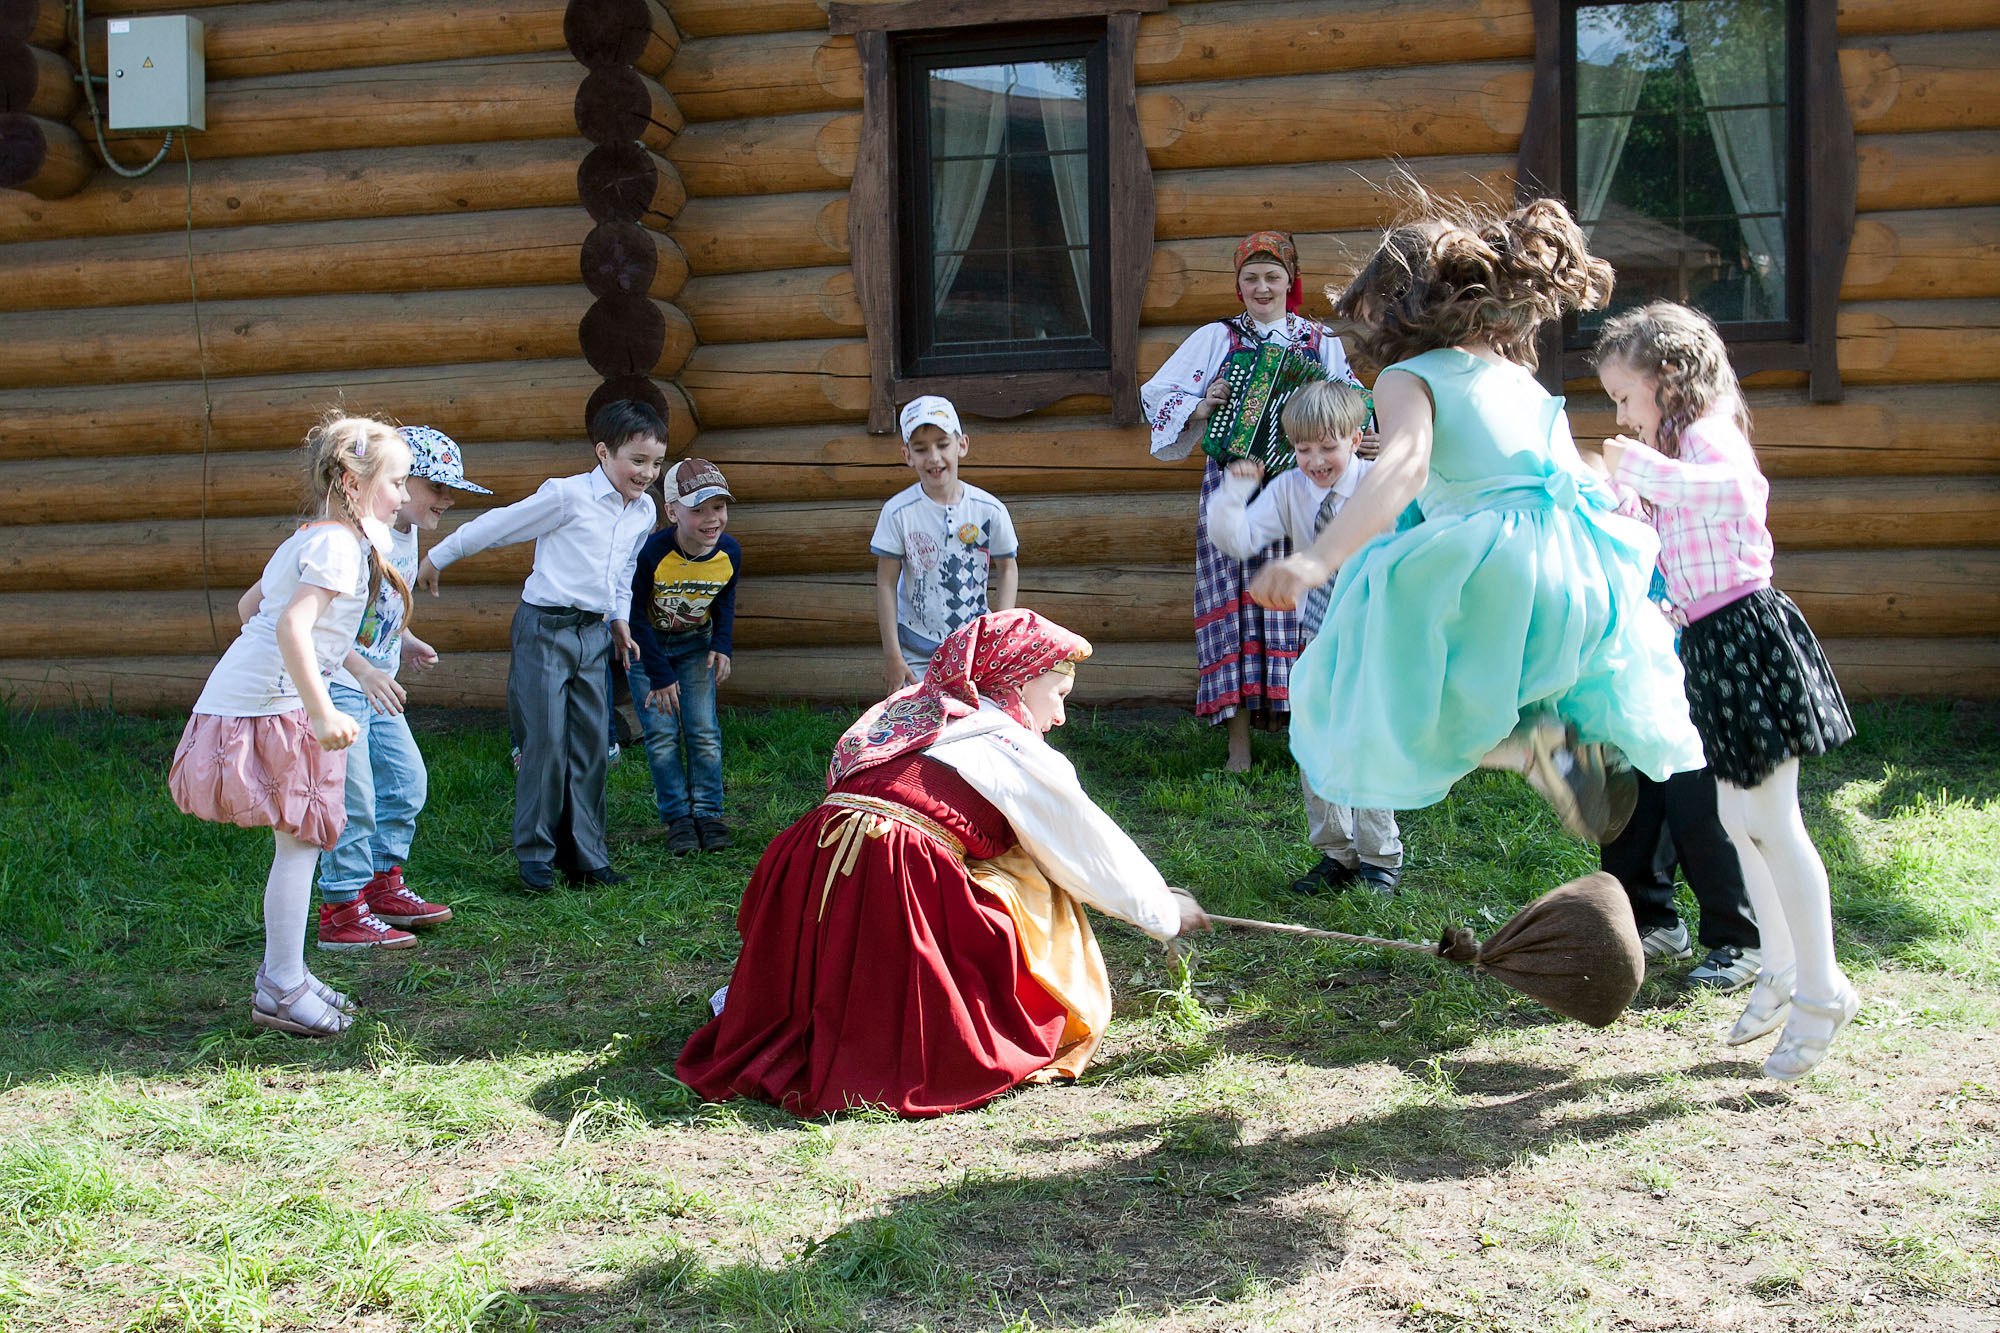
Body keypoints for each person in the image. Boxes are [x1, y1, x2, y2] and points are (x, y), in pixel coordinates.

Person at [1251, 194, 1706, 847]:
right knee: (1520, 676)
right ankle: (1565, 740)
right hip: (1582, 566)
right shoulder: (1519, 378)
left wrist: (1316, 558)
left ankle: (1531, 746)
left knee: (1379, 676)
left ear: (1397, 308)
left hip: (1499, 562)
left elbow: (1405, 464)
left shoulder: (1407, 377)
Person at [676, 609, 1210, 1118]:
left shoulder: (912, 709)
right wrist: (1163, 910)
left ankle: (817, 1010)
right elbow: (1087, 849)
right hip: (894, 867)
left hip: (809, 856)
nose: (1061, 716)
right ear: (1020, 681)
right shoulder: (1009, 745)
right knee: (1022, 901)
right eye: (1060, 694)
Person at [1592, 300, 1857, 1081]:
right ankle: (1778, 969)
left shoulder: (1709, 438)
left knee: (1774, 821)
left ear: (1668, 379)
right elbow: (1659, 527)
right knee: (1740, 818)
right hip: (1710, 641)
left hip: (1748, 635)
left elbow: (1733, 496)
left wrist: (1640, 471)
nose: (1622, 415)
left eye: (1625, 398)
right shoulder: (1675, 448)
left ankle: (1823, 987)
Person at [168, 415, 412, 1036]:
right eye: (398, 482)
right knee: (301, 844)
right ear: (352, 482)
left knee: (299, 844)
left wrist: (345, 667)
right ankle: (280, 984)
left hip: (258, 696)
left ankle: (287, 977)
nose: (405, 496)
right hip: (270, 703)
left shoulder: (312, 536)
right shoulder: (336, 545)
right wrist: (323, 708)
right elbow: (288, 627)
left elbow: (254, 607)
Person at [417, 400, 666, 891]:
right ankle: (535, 855)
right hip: (544, 630)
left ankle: (586, 857)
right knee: (546, 743)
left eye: (656, 463)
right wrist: (438, 556)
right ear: (603, 452)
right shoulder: (566, 496)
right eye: (637, 461)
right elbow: (498, 525)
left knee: (594, 744)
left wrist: (618, 621)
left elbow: (624, 573)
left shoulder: (644, 511)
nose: (647, 473)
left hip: (593, 635)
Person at [1142, 231, 1363, 772]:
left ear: (1291, 282)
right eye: (1250, 278)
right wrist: (1204, 402)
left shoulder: (1319, 341)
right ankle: (1238, 748)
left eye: (1272, 277)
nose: (1261, 287)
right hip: (1235, 485)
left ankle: (1306, 739)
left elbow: (1352, 398)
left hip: (1303, 488)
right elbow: (1157, 392)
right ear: (1238, 285)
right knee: (1237, 609)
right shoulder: (1218, 338)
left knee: (1303, 604)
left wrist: (1367, 431)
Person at [1204, 381, 1404, 897]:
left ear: (1357, 438)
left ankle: (1379, 858)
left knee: (1366, 740)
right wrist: (1233, 494)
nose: (1315, 460)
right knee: (1315, 736)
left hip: (1377, 630)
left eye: (1328, 447)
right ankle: (1336, 853)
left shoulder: (1378, 484)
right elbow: (1239, 538)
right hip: (1319, 633)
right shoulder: (1292, 488)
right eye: (1303, 448)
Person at [314, 425, 488, 950]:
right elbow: (322, 626)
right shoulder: (357, 540)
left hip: (379, 682)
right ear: (398, 482)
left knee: (407, 782)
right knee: (356, 795)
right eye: (437, 488)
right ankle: (341, 909)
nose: (448, 500)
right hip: (343, 684)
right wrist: (364, 670)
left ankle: (380, 884)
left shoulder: (405, 534)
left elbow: (378, 613)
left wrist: (405, 640)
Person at [629, 457, 742, 857]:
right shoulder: (651, 553)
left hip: (696, 645)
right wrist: (658, 674)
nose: (712, 519)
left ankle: (708, 813)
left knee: (703, 731)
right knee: (661, 736)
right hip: (648, 650)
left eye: (718, 507)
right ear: (671, 511)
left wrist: (721, 645)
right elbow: (633, 615)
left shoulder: (728, 552)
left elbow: (724, 600)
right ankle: (677, 818)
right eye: (698, 510)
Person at [872, 395, 1019, 692]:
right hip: (916, 649)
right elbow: (885, 583)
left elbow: (1007, 569)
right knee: (919, 726)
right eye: (921, 449)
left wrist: (999, 637)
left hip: (976, 649)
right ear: (907, 455)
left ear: (962, 445)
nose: (934, 458)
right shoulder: (898, 512)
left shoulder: (988, 510)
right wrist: (893, 656)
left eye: (942, 444)